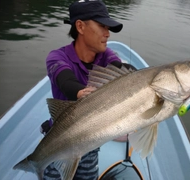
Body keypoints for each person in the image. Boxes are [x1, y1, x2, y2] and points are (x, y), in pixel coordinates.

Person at [41, 0, 136, 180]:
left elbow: (123, 69)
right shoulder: (57, 56)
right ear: (80, 26)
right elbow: (66, 81)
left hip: (90, 142)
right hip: (60, 139)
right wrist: (81, 93)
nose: (107, 34)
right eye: (102, 26)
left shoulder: (106, 55)